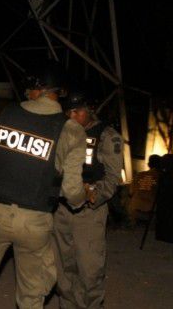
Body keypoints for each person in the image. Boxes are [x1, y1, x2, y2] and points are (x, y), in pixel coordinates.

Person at [0, 63, 87, 309]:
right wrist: (82, 200)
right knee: (31, 296)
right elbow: (72, 189)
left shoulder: (9, 114)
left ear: (36, 89)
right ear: (59, 92)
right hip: (34, 221)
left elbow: (0, 161)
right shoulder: (71, 130)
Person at [53, 90, 123, 309]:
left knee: (90, 271)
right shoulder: (62, 133)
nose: (72, 117)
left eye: (77, 112)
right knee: (64, 269)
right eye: (68, 112)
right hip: (61, 210)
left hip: (89, 213)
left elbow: (112, 179)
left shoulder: (107, 136)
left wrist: (92, 192)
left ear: (89, 110)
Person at [126, 154, 161, 226]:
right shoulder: (160, 178)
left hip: (134, 210)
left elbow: (130, 193)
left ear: (149, 164)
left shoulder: (139, 175)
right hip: (151, 213)